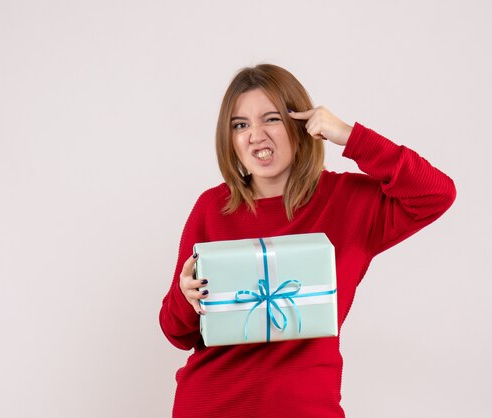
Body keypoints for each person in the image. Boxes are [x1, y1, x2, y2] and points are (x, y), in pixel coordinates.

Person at [159, 64, 456, 418]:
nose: (255, 135)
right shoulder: (212, 208)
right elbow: (176, 333)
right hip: (211, 404)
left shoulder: (348, 201)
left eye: (270, 119)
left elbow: (436, 193)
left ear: (300, 124)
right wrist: (184, 295)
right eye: (240, 125)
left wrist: (350, 135)